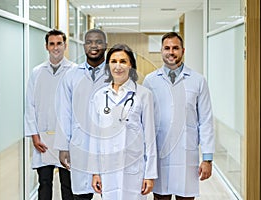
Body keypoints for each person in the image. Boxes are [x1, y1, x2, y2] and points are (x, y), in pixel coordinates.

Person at [142, 32, 215, 200]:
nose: (171, 52)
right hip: (160, 153)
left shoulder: (198, 80)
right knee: (161, 197)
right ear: (161, 51)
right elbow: (144, 121)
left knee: (186, 197)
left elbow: (205, 121)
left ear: (183, 51)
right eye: (167, 48)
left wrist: (207, 158)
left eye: (175, 48)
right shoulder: (150, 81)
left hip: (186, 153)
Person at [88, 44, 158, 200]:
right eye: (113, 61)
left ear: (130, 65)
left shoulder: (144, 94)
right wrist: (94, 172)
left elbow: (150, 138)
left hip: (133, 170)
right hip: (107, 170)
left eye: (123, 61)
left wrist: (150, 174)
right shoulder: (99, 96)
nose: (118, 66)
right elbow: (94, 137)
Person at [54, 28, 108, 200]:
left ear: (106, 45)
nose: (94, 46)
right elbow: (64, 113)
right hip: (80, 145)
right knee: (81, 194)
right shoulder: (71, 76)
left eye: (98, 42)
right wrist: (63, 146)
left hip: (109, 145)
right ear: (84, 46)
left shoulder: (115, 74)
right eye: (90, 42)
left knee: (111, 192)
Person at [25, 29, 75, 200]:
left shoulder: (75, 71)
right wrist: (34, 136)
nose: (56, 48)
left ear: (65, 46)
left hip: (66, 140)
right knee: (44, 183)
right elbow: (30, 106)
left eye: (59, 43)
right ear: (46, 47)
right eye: (52, 44)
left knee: (68, 185)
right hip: (43, 139)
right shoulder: (37, 72)